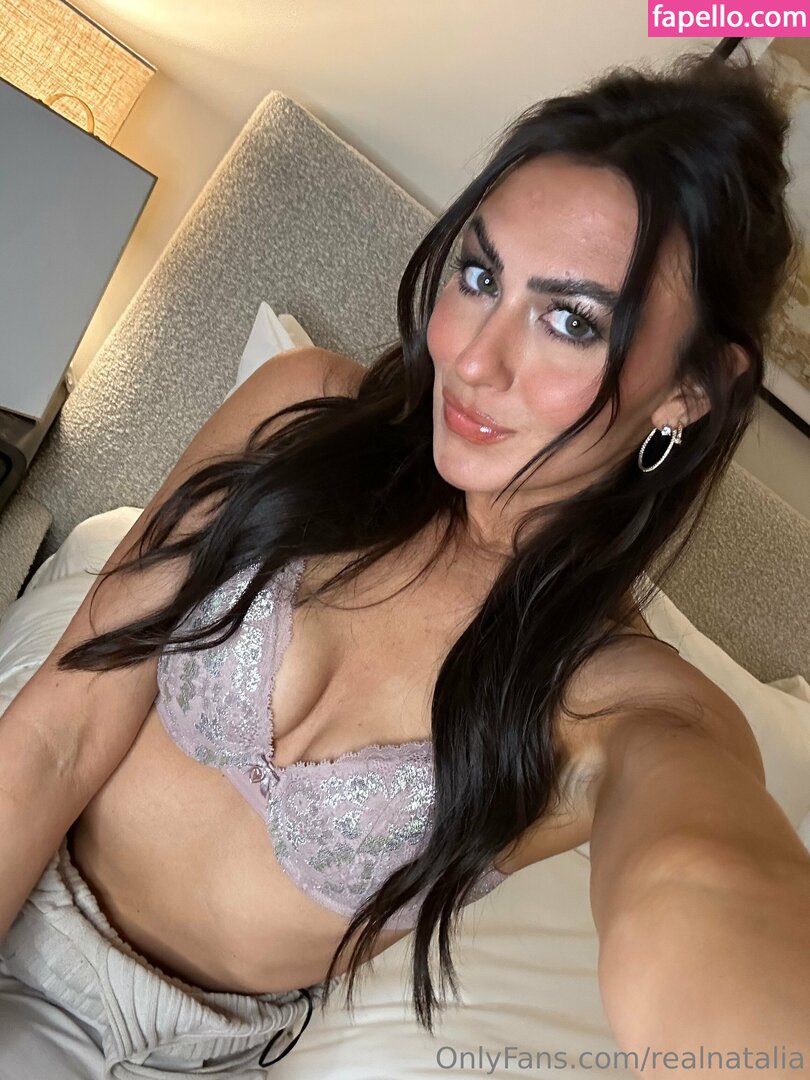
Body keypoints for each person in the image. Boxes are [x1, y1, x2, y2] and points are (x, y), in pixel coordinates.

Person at [1, 45, 809, 1077]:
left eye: (570, 321)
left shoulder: (625, 705)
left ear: (691, 391)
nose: (470, 357)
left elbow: (700, 884)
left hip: (154, 1050)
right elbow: (55, 736)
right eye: (479, 275)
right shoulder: (299, 412)